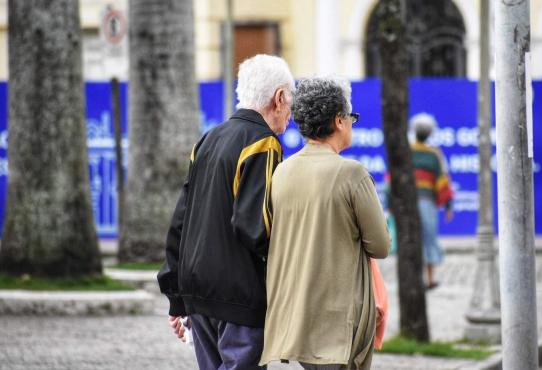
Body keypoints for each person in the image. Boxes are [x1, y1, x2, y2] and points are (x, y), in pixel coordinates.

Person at [157, 54, 295, 370]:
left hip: (198, 291)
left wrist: (176, 298)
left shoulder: (208, 139)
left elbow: (181, 221)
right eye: (290, 102)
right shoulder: (263, 143)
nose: (290, 114)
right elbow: (256, 227)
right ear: (279, 98)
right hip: (239, 293)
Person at [259, 77, 391, 370]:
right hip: (339, 321)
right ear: (339, 120)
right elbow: (381, 245)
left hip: (296, 316)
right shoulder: (352, 174)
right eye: (352, 117)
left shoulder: (282, 171)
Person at [409, 112, 454, 289]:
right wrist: (449, 205)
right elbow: (442, 181)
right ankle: (429, 280)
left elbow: (393, 179)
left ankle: (415, 280)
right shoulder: (434, 155)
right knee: (429, 239)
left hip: (409, 205)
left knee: (413, 241)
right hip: (427, 203)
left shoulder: (407, 152)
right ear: (429, 133)